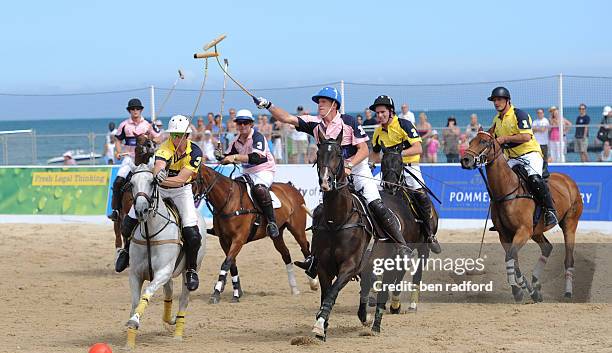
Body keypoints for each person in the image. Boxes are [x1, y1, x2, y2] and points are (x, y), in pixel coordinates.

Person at [252, 87, 412, 275]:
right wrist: (268, 105)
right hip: (334, 178)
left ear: (334, 105)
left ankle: (401, 245)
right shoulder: (315, 124)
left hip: (356, 170)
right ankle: (314, 260)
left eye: (324, 102)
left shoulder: (348, 122)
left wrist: (349, 165)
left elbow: (364, 150)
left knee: (376, 204)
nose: (319, 105)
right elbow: (287, 118)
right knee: (320, 213)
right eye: (319, 102)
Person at [116, 115, 203, 291]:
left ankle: (191, 270)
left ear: (187, 135)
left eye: (180, 135)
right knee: (128, 223)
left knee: (193, 235)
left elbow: (181, 179)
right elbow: (158, 165)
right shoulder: (165, 147)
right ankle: (126, 251)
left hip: (181, 191)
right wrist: (159, 172)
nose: (176, 138)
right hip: (160, 190)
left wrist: (161, 179)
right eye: (174, 135)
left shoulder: (195, 152)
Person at [370, 95, 441, 253]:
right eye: (377, 113)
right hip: (388, 170)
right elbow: (375, 154)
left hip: (409, 167)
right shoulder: (377, 132)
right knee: (368, 193)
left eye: (382, 112)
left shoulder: (404, 125)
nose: (379, 115)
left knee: (421, 196)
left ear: (390, 111)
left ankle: (429, 235)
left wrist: (397, 156)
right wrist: (370, 164)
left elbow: (418, 148)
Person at [487, 86, 557, 226]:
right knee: (499, 181)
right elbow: (492, 137)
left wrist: (505, 139)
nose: (496, 103)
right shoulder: (496, 119)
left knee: (535, 179)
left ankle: (550, 211)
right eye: (494, 100)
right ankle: (502, 217)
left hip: (530, 154)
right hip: (511, 158)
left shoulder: (519, 114)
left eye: (499, 99)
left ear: (507, 100)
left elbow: (525, 136)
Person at [218, 109, 279, 238]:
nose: (243, 125)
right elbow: (227, 157)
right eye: (240, 123)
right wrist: (219, 156)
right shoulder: (236, 141)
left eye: (246, 122)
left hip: (264, 170)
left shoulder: (258, 137)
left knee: (260, 190)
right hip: (247, 173)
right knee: (231, 189)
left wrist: (234, 157)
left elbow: (256, 157)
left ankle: (272, 222)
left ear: (251, 124)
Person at [108, 98, 160, 222]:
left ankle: (160, 205)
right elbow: (118, 140)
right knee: (118, 181)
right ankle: (115, 210)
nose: (135, 111)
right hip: (130, 159)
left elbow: (159, 138)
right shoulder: (124, 125)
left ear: (141, 110)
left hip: (146, 160)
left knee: (158, 178)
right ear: (129, 111)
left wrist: (149, 140)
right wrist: (118, 151)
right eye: (132, 109)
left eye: (137, 109)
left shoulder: (148, 125)